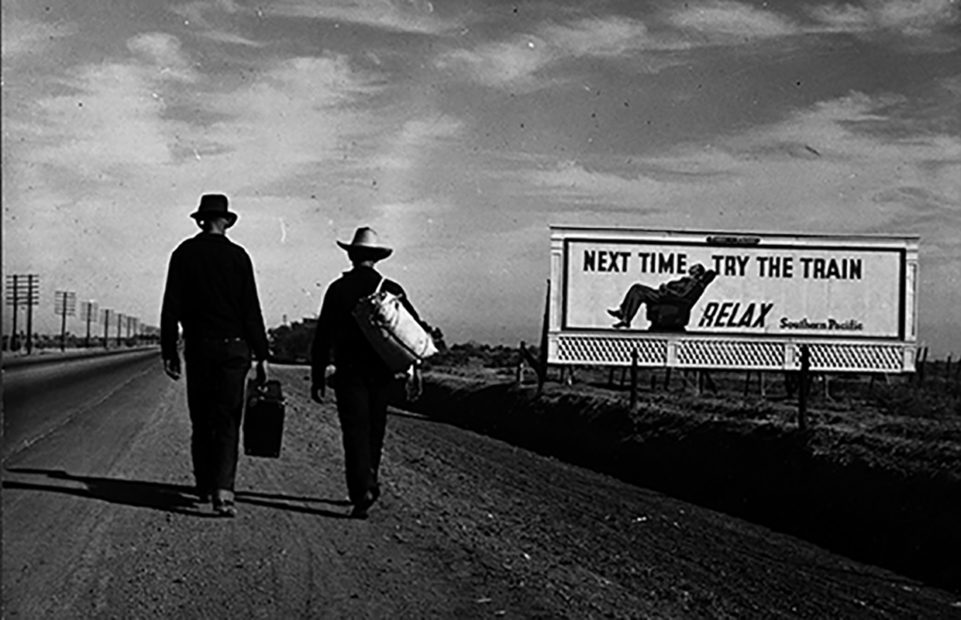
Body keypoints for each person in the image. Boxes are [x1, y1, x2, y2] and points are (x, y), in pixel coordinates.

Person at [160, 193, 269, 517]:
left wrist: (169, 350)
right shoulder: (239, 256)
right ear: (226, 221)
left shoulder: (184, 253)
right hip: (235, 348)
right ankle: (224, 491)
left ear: (200, 220)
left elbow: (171, 306)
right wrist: (262, 354)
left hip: (200, 348)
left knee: (202, 418)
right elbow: (251, 309)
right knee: (227, 420)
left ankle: (205, 484)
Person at [310, 227, 428, 519]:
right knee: (376, 429)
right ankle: (370, 479)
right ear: (376, 258)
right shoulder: (392, 288)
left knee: (354, 432)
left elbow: (323, 335)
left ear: (351, 255)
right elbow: (412, 328)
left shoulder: (338, 290)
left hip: (349, 373)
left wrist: (317, 376)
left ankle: (361, 488)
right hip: (382, 373)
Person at [607, 263, 717, 330]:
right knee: (637, 290)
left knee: (638, 290)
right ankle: (624, 314)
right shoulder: (691, 282)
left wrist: (666, 290)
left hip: (665, 298)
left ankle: (625, 316)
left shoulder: (693, 283)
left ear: (697, 272)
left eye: (694, 268)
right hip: (665, 296)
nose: (691, 269)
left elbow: (681, 295)